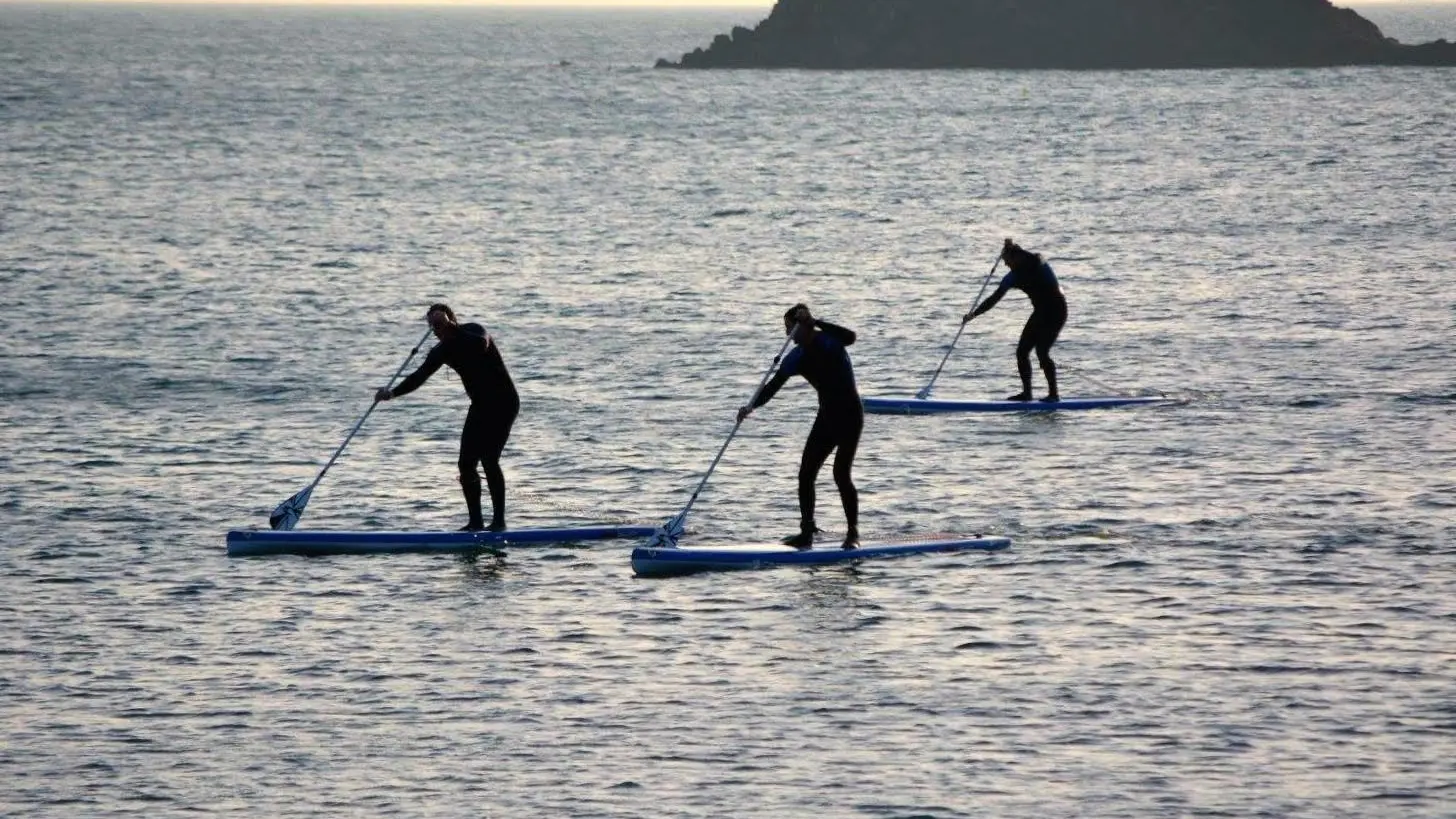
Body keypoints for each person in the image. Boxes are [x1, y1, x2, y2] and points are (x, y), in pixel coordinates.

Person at [375, 304, 520, 532]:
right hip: (480, 406)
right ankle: (475, 523)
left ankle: (499, 523)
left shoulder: (474, 331)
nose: (436, 330)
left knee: (489, 460)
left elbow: (480, 345)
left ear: (452, 320)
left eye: (440, 323)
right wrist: (391, 394)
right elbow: (418, 377)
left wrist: (453, 327)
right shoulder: (441, 351)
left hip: (504, 402)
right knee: (465, 464)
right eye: (432, 326)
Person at [737, 304, 863, 550]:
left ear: (803, 327)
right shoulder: (796, 357)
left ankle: (853, 534)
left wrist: (817, 321)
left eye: (790, 329)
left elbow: (851, 337)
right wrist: (750, 406)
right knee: (806, 474)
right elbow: (772, 387)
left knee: (840, 474)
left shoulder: (829, 340)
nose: (787, 336)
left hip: (850, 416)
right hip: (827, 417)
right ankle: (806, 532)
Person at [963, 238, 1067, 402]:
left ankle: (1054, 395)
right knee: (1022, 352)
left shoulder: (1037, 261)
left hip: (1057, 311)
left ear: (1016, 256)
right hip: (1040, 312)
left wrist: (1014, 248)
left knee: (1042, 352)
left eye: (1007, 261)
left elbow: (1033, 259)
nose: (1005, 265)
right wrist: (973, 314)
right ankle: (1027, 394)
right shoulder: (1012, 277)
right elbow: (994, 299)